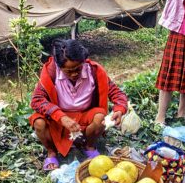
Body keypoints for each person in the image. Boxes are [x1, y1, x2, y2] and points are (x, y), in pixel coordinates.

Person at [30, 39, 128, 170]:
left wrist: (119, 109)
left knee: (99, 116)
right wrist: (61, 117)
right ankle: (51, 152)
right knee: (38, 122)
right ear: (60, 67)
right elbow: (37, 100)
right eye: (68, 71)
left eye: (78, 69)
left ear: (84, 61)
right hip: (59, 120)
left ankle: (89, 145)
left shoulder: (94, 71)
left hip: (84, 116)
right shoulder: (51, 73)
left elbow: (116, 92)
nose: (74, 74)